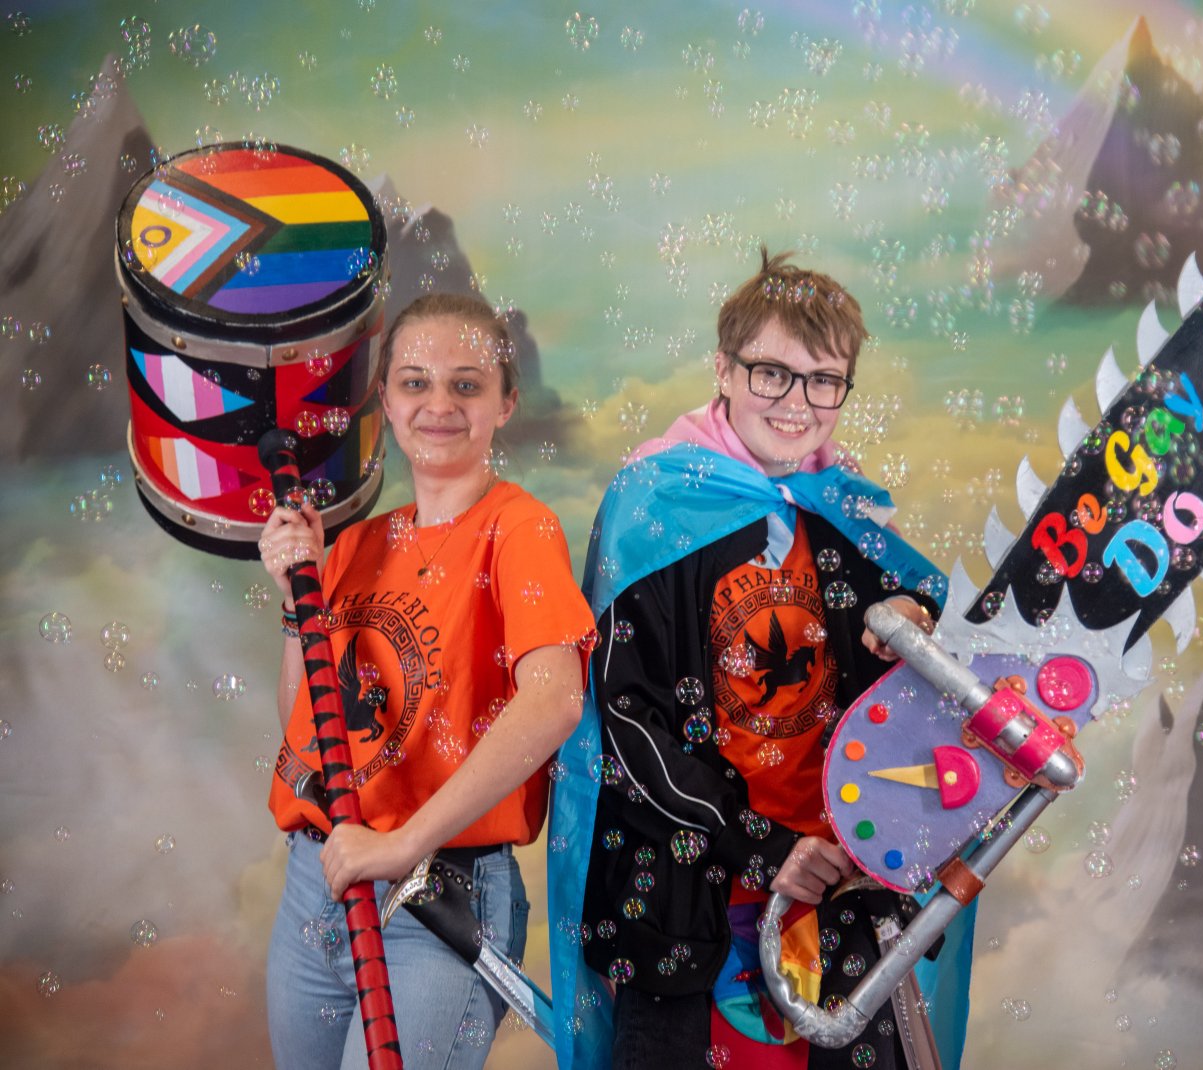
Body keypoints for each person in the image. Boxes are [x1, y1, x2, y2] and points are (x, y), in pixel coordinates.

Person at [550, 250, 970, 1070]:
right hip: (680, 896)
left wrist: (916, 625)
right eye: (772, 373)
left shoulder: (843, 509)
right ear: (724, 368)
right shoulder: (655, 504)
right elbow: (629, 730)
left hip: (838, 887)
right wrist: (768, 850)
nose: (797, 403)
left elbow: (920, 693)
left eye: (824, 380)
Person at [258, 293, 595, 1069]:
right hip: (317, 881)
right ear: (385, 400)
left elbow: (555, 699)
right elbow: (309, 728)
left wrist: (403, 844)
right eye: (415, 382)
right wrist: (297, 603)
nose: (438, 404)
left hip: (436, 896)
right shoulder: (356, 545)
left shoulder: (519, 528)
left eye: (466, 385)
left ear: (505, 403)